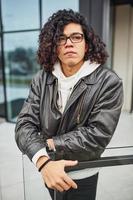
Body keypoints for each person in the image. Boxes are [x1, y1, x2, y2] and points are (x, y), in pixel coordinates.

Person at [15, 9, 123, 200]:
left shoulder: (108, 81)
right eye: (61, 39)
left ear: (87, 44)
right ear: (53, 46)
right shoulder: (42, 78)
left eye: (76, 37)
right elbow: (24, 125)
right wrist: (43, 162)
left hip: (83, 172)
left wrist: (51, 143)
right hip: (49, 169)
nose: (69, 43)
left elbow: (98, 135)